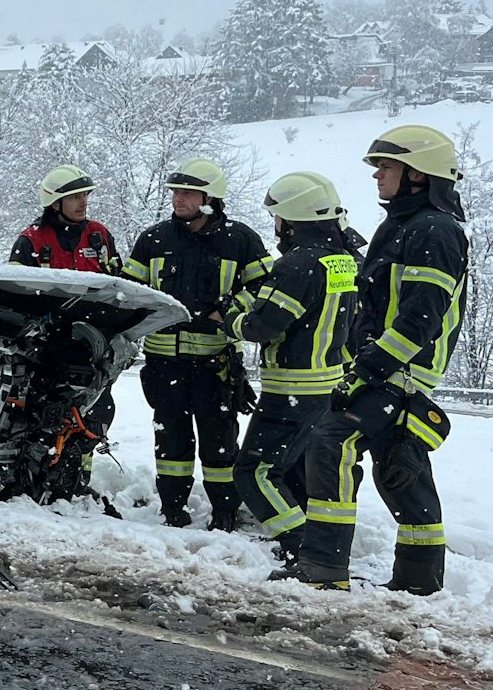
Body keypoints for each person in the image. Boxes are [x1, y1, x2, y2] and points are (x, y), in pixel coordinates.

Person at [281, 125, 469, 594]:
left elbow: (418, 319)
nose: (377, 175)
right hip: (391, 367)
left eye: (386, 166)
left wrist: (366, 370)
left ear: (419, 174)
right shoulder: (404, 225)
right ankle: (419, 581)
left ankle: (322, 569)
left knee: (331, 441)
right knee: (400, 466)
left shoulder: (434, 231)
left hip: (399, 370)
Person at [123, 159, 273, 529]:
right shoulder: (153, 239)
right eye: (175, 192)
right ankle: (172, 509)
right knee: (170, 441)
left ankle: (224, 513)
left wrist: (230, 310)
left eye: (188, 192)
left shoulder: (241, 240)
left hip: (215, 364)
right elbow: (130, 292)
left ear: (210, 198)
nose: (178, 199)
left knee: (219, 442)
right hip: (164, 364)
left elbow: (265, 288)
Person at [224, 172, 359, 555]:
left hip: (292, 389)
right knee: (295, 472)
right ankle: (314, 544)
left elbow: (265, 325)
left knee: (253, 472)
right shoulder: (342, 261)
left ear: (292, 218)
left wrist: (230, 318)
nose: (276, 225)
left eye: (277, 217)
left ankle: (299, 544)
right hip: (326, 387)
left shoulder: (297, 265)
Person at [10, 164, 121, 500]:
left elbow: (119, 284)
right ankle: (34, 476)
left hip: (93, 346)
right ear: (54, 202)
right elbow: (16, 294)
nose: (83, 202)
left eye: (85, 195)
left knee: (96, 414)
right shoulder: (31, 240)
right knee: (44, 413)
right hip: (47, 349)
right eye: (75, 196)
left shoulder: (99, 236)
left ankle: (75, 480)